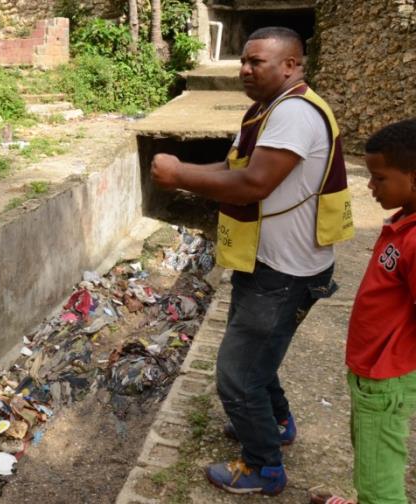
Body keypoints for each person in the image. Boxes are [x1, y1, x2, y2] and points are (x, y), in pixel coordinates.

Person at [151, 26, 354, 495]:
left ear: (291, 65)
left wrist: (179, 174)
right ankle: (276, 425)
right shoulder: (269, 109)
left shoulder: (294, 114)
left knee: (237, 376)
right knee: (257, 361)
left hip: (284, 273)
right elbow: (235, 168)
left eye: (256, 61)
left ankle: (264, 468)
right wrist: (185, 173)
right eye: (243, 60)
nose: (244, 69)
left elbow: (252, 184)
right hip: (266, 262)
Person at [310, 119, 416, 504]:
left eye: (379, 178)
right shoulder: (404, 222)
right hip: (372, 372)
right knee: (369, 451)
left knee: (378, 482)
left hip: (385, 376)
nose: (370, 186)